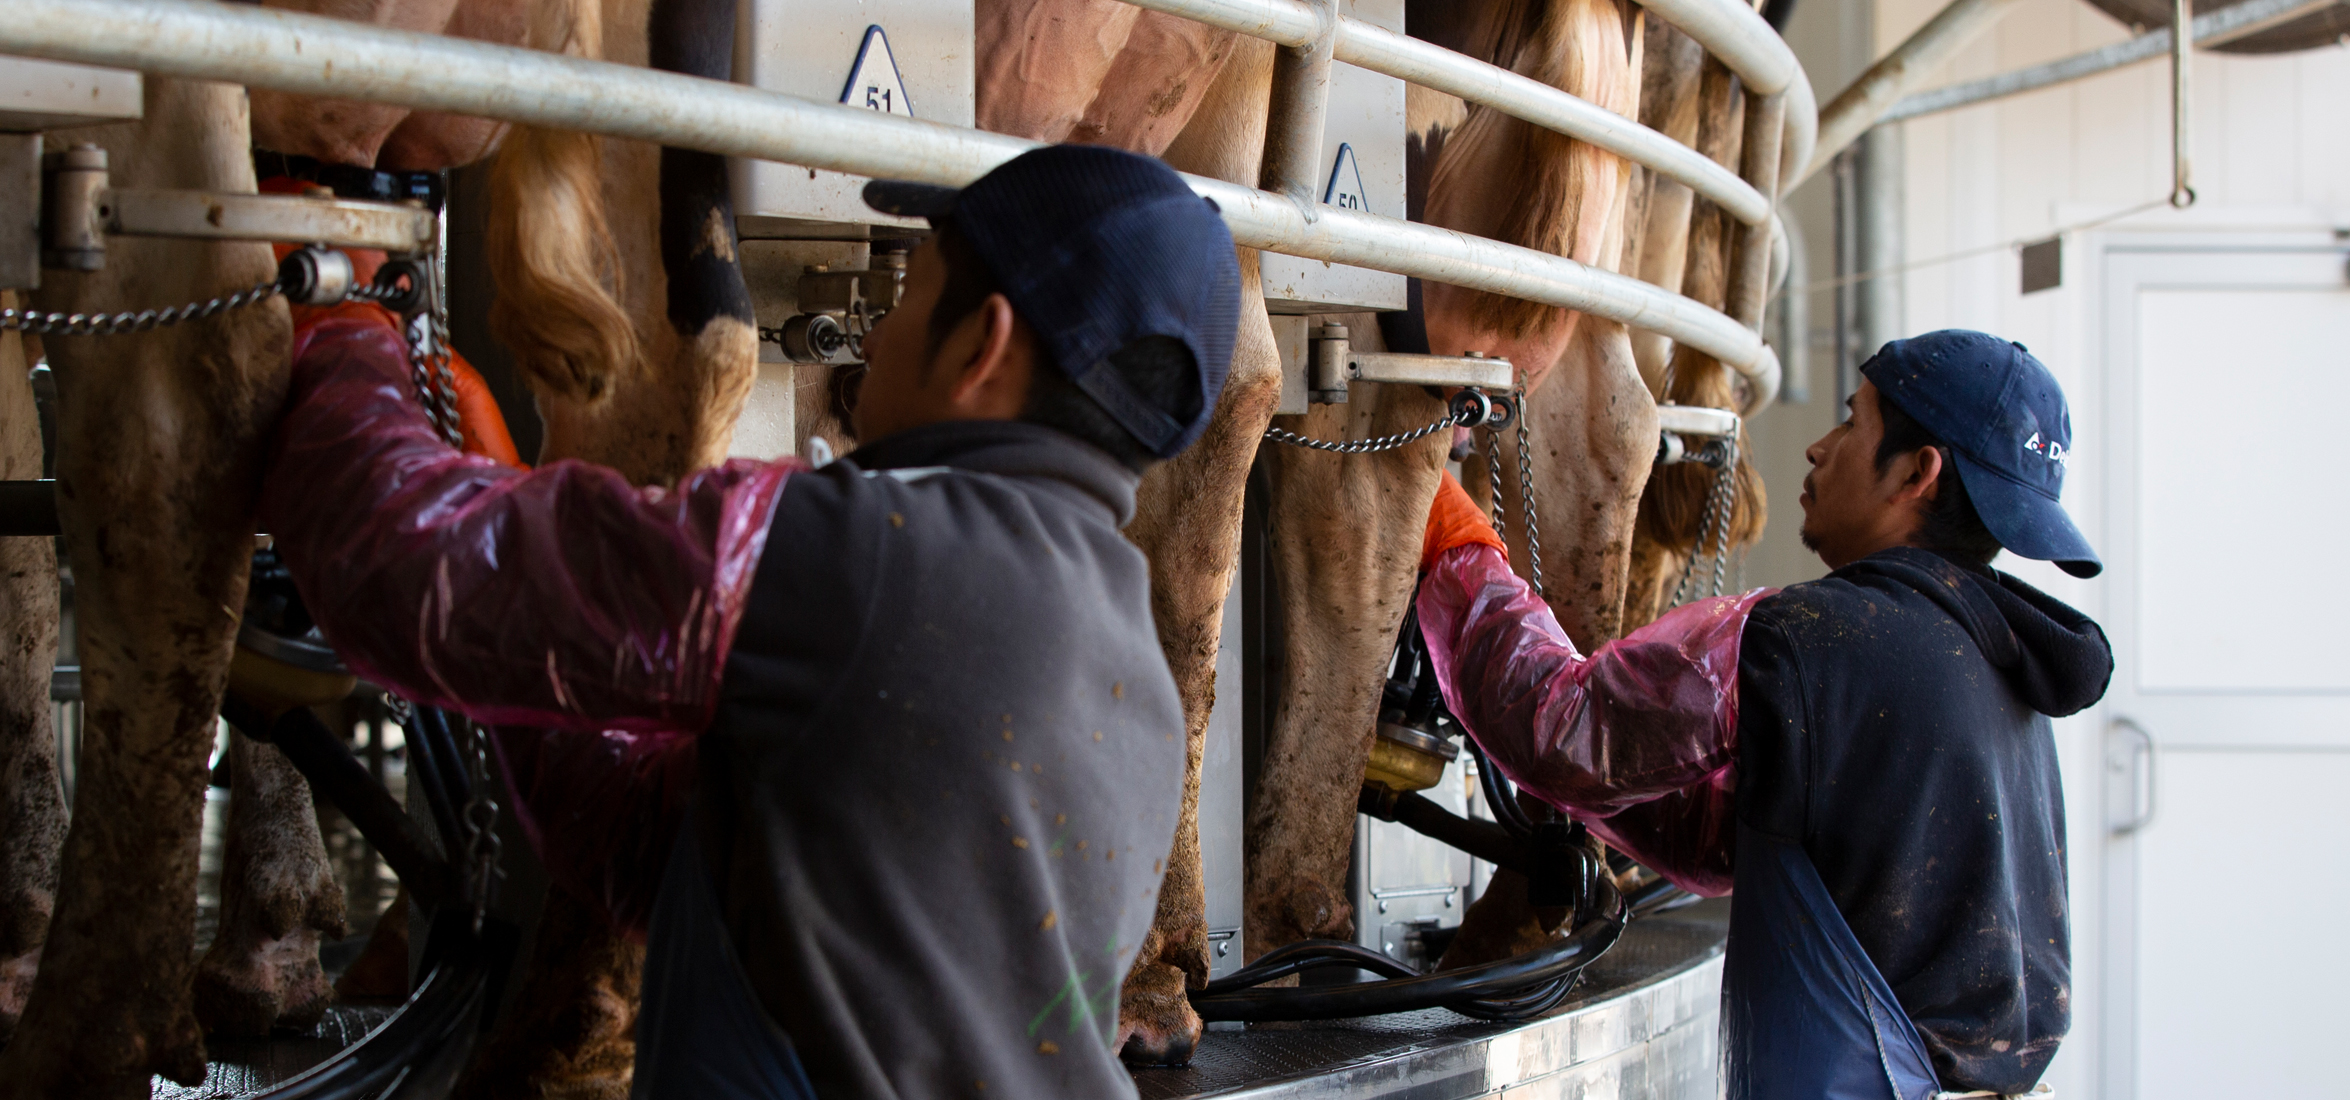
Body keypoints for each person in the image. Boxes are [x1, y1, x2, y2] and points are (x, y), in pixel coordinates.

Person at [256, 145, 1241, 1099]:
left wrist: (346, 319)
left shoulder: (862, 550)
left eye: (901, 300)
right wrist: (527, 573)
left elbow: (398, 564)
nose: (872, 334)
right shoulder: (1135, 678)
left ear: (981, 345)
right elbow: (662, 851)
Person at [1416, 330, 2114, 1100]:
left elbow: (1560, 731)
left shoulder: (1814, 640)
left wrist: (1452, 533)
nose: (1820, 446)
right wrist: (1619, 779)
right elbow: (1721, 839)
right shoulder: (1999, 675)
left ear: (1919, 472)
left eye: (1853, 421)